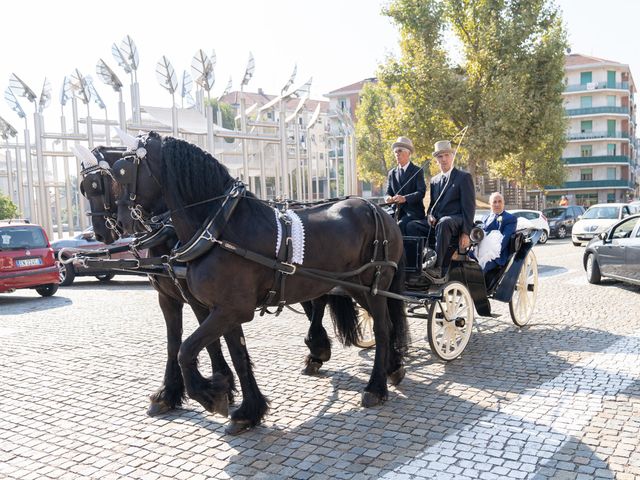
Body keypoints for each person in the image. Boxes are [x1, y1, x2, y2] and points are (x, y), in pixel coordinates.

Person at [406, 140, 475, 279]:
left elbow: (469, 207)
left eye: (446, 155)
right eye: (440, 156)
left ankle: (438, 267)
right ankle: (419, 263)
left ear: (452, 156)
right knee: (411, 226)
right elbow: (432, 205)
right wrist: (430, 216)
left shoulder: (463, 177)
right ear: (436, 160)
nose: (443, 159)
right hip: (438, 222)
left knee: (444, 222)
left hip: (456, 220)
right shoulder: (435, 180)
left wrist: (466, 233)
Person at [384, 136, 426, 234]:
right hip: (394, 211)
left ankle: (401, 249)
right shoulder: (392, 173)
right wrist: (387, 198)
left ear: (408, 153)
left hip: (413, 212)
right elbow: (387, 192)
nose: (397, 154)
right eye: (395, 152)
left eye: (400, 151)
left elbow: (421, 192)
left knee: (401, 224)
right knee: (380, 221)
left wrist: (405, 198)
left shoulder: (417, 171)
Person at [477, 192, 517, 274]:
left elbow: (505, 239)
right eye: (494, 202)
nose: (497, 204)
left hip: (497, 255)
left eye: (499, 201)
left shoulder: (510, 218)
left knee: (480, 271)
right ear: (490, 204)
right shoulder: (485, 218)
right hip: (480, 250)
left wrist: (490, 253)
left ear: (503, 203)